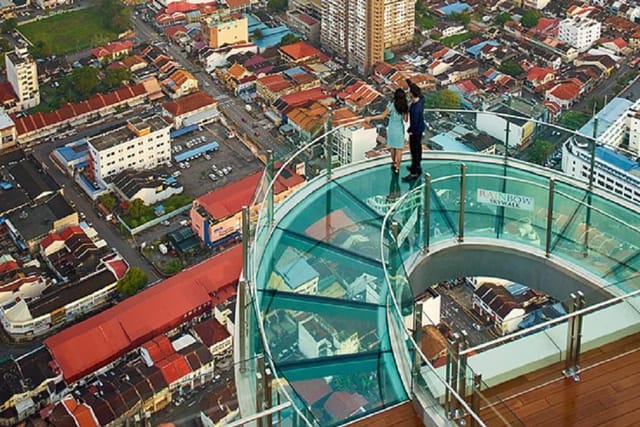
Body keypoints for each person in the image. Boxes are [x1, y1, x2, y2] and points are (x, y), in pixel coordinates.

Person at [370, 88, 409, 173]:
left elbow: (382, 116)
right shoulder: (405, 106)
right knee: (399, 150)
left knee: (392, 148)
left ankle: (393, 163)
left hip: (391, 128)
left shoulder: (391, 105)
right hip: (399, 129)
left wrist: (371, 117)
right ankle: (397, 167)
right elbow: (406, 120)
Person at [403, 79, 425, 182]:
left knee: (414, 150)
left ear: (412, 94)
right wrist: (410, 83)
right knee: (418, 148)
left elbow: (414, 123)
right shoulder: (421, 99)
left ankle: (414, 172)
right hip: (420, 128)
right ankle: (417, 167)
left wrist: (410, 130)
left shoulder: (415, 108)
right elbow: (417, 91)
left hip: (415, 131)